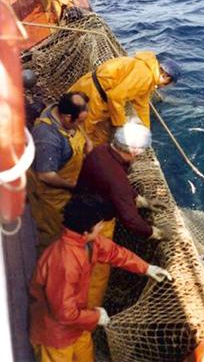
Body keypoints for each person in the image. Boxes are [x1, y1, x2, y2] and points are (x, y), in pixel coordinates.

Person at [29, 193, 172, 362]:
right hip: (55, 336)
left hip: (78, 325)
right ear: (85, 231)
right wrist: (96, 316)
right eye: (99, 225)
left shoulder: (87, 241)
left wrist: (147, 268)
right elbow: (63, 313)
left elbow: (114, 253)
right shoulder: (64, 263)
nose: (102, 226)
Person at [75, 122, 169, 308]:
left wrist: (142, 201)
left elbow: (120, 185)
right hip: (92, 225)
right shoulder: (116, 178)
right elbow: (130, 219)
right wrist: (154, 232)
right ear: (133, 152)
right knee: (96, 274)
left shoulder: (101, 151)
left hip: (81, 211)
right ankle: (88, 309)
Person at [69, 51, 181, 145]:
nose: (165, 86)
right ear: (166, 77)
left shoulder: (148, 74)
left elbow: (142, 105)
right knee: (79, 134)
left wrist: (145, 130)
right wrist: (121, 126)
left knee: (99, 138)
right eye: (169, 83)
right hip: (92, 96)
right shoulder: (145, 76)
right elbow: (115, 97)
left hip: (92, 89)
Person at [27, 92, 92, 253]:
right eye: (80, 121)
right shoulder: (47, 138)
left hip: (67, 189)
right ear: (67, 117)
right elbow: (46, 175)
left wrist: (88, 141)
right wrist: (72, 185)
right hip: (50, 196)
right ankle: (45, 269)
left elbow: (77, 127)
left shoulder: (57, 109)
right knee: (52, 236)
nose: (80, 125)